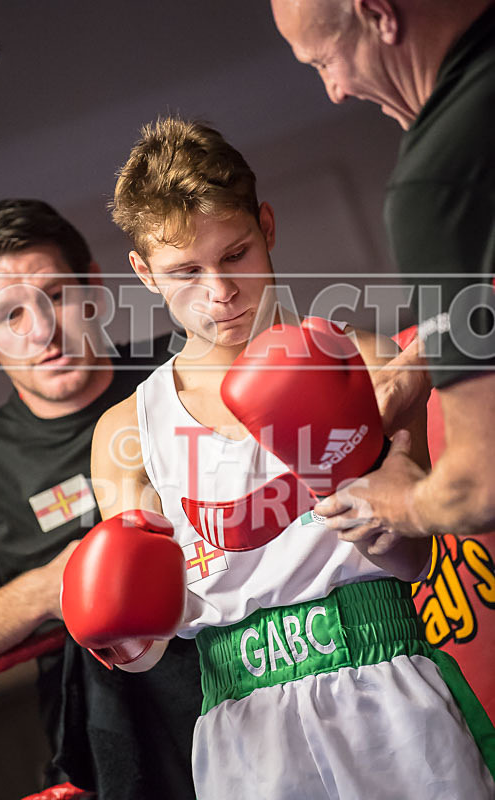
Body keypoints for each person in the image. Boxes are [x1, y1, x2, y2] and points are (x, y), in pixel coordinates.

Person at [80, 116, 495, 799]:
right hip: (243, 725)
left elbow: (413, 560)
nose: (219, 293)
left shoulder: (368, 362)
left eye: (235, 254)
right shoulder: (127, 431)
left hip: (384, 682)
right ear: (144, 274)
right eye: (185, 272)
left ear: (267, 227)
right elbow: (149, 643)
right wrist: (121, 634)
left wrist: (366, 502)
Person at [0, 198, 201, 799]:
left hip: (264, 681)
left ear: (93, 288)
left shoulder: (186, 373)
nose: (40, 330)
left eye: (55, 297)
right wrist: (51, 586)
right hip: (123, 754)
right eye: (10, 314)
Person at [268, 0, 495, 553]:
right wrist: (420, 362)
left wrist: (396, 501)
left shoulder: (436, 182)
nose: (335, 91)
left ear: (379, 14)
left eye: (323, 62)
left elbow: (479, 484)